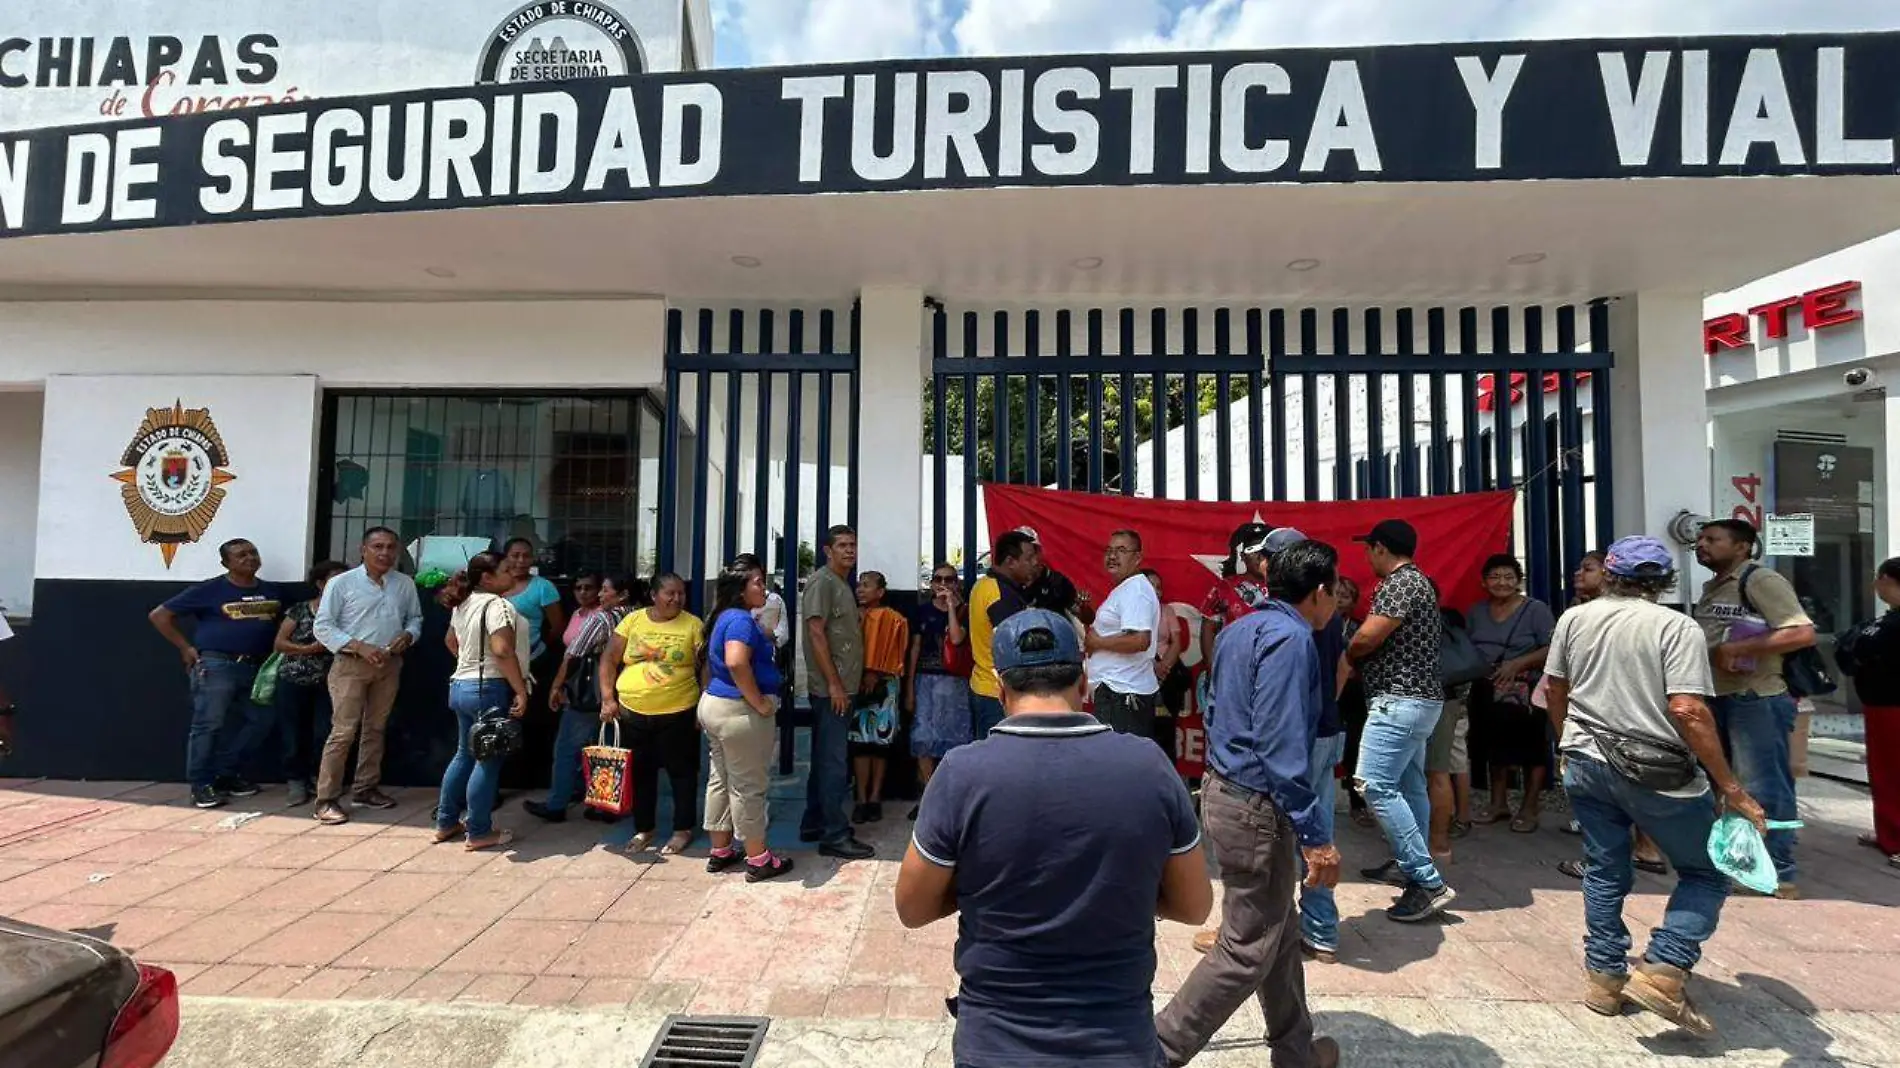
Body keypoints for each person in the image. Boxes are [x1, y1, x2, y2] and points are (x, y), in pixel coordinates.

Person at [896, 609, 1211, 1068]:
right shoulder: (1148, 767)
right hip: (1118, 1045)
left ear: (1002, 690)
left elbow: (912, 908)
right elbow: (1194, 905)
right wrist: (1113, 884)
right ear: (1084, 683)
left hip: (995, 1047)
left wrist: (985, 885)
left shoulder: (962, 774)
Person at [1545, 535, 1767, 1037]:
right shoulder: (1676, 626)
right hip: (1657, 769)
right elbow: (1688, 709)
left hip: (1585, 757)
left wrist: (1565, 742)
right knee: (1708, 873)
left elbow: (1555, 689)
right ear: (1664, 582)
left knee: (1604, 869)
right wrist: (1731, 787)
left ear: (1610, 574)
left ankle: (1603, 979)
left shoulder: (1574, 619)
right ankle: (1665, 967)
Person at [1160, 540, 1343, 1068]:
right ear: (1319, 592)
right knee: (1245, 949)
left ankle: (1295, 1050)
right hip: (1257, 804)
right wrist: (1316, 836)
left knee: (1278, 930)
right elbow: (1281, 744)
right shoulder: (1291, 639)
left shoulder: (1242, 628)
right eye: (1335, 592)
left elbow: (1221, 710)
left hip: (1228, 791)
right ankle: (1156, 1051)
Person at [1693, 518, 1817, 897]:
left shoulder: (1759, 580)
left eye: (1712, 540)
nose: (1702, 545)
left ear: (1742, 546)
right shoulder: (1714, 585)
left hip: (1756, 698)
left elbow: (1801, 631)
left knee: (1766, 786)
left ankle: (1779, 872)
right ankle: (1738, 862)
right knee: (1728, 784)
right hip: (1720, 696)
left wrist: (1740, 649)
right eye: (1700, 540)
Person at [1346, 518, 1456, 922]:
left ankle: (1426, 880)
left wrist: (1349, 652)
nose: (1366, 556)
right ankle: (1408, 864)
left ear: (1379, 548)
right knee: (1410, 787)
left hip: (1399, 701)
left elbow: (1368, 637)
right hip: (1416, 701)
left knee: (1373, 784)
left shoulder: (1401, 584)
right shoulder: (1416, 582)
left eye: (1368, 548)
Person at [149, 538, 286, 809]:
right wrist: (185, 648)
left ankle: (226, 773)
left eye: (252, 552)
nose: (249, 558)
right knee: (208, 726)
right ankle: (201, 785)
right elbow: (159, 615)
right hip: (216, 666)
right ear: (226, 563)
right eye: (240, 555)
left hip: (257, 668)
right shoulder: (209, 590)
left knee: (263, 720)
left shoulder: (271, 591)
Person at [1556, 552, 1669, 878]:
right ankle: (1630, 853)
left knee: (1611, 794)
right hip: (1627, 720)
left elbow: (1558, 683)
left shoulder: (1586, 618)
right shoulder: (1582, 613)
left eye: (1588, 568)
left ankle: (1613, 861)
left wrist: (1563, 730)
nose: (1579, 573)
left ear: (1610, 575)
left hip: (1611, 720)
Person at [310, 527, 424, 825]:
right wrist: (358, 646)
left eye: (390, 548)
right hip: (350, 665)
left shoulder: (403, 583)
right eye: (377, 547)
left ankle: (365, 788)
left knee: (376, 728)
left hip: (389, 663)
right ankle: (326, 798)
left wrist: (408, 635)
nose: (384, 553)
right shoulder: (341, 583)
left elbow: (415, 618)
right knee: (344, 731)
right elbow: (322, 627)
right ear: (363, 550)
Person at [700, 566, 794, 881]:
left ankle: (721, 851)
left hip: (716, 706)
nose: (764, 590)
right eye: (757, 583)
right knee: (748, 786)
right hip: (738, 713)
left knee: (721, 779)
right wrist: (759, 702)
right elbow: (736, 661)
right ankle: (758, 859)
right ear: (741, 590)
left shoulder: (725, 616)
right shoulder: (739, 620)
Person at [600, 572, 704, 855]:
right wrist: (608, 698)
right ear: (654, 595)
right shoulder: (632, 621)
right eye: (670, 593)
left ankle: (682, 829)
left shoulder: (693, 624)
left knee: (681, 773)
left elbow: (705, 667)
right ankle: (644, 828)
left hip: (679, 710)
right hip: (633, 712)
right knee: (641, 774)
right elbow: (609, 659)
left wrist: (703, 706)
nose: (676, 598)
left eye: (681, 593)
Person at [436, 551, 531, 852]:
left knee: (464, 753)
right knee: (488, 760)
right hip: (488, 688)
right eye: (505, 569)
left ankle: (446, 822)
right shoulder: (498, 605)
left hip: (460, 685)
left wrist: (469, 662)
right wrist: (520, 690)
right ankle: (478, 830)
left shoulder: (463, 603)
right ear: (488, 578)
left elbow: (450, 642)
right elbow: (503, 650)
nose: (513, 572)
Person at [527, 572, 637, 823]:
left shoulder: (602, 618)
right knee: (610, 747)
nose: (599, 595)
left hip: (593, 693)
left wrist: (556, 685)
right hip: (624, 691)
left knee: (567, 748)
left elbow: (574, 654)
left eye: (604, 590)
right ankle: (607, 806)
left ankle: (557, 804)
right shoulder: (638, 616)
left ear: (622, 594)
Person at [1467, 554, 1559, 832]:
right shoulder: (1476, 611)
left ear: (1518, 581)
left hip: (1526, 690)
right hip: (1486, 688)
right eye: (1495, 576)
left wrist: (1519, 663)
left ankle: (1529, 808)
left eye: (1508, 577)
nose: (1502, 582)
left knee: (1533, 750)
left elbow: (1552, 647)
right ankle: (1498, 804)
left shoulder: (1536, 610)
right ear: (1484, 582)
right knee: (1493, 748)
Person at [800, 525, 876, 860]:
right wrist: (834, 684)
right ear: (827, 550)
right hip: (833, 690)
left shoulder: (841, 583)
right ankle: (834, 834)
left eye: (853, 544)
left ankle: (814, 821)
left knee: (824, 758)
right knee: (833, 762)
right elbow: (816, 633)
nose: (849, 550)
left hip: (842, 686)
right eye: (842, 545)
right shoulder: (822, 582)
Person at [271, 560, 349, 808]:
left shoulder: (348, 613)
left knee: (324, 732)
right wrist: (308, 649)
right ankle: (296, 781)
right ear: (319, 583)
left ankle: (322, 779)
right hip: (295, 678)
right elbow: (280, 643)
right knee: (293, 732)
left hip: (331, 681)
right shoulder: (301, 610)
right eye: (333, 581)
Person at [1841, 557, 1900, 869]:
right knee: (1884, 773)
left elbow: (1860, 651)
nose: (1876, 586)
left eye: (1879, 579)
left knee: (1892, 772)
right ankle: (1888, 833)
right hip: (1881, 705)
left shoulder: (1890, 626)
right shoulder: (1887, 620)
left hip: (1893, 706)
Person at [908, 564, 973, 822]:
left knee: (954, 740)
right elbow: (914, 649)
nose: (943, 583)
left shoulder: (965, 611)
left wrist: (952, 610)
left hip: (955, 683)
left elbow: (956, 639)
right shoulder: (921, 611)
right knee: (924, 738)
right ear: (931, 583)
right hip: (926, 681)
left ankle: (951, 798)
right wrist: (909, 687)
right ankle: (928, 795)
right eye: (938, 579)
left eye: (949, 579)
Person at [1085, 529, 1162, 736]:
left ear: (1137, 558)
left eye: (1121, 550)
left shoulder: (1135, 590)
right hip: (1117, 692)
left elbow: (1140, 640)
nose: (1112, 556)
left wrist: (1098, 643)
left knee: (1118, 765)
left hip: (1122, 695)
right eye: (1109, 550)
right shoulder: (1126, 588)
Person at [849, 571, 910, 823]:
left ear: (880, 592)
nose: (860, 589)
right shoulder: (852, 617)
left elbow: (899, 653)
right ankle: (861, 798)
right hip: (857, 684)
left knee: (880, 744)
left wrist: (876, 671)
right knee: (861, 744)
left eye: (866, 585)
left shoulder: (895, 620)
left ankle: (875, 797)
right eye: (859, 585)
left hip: (885, 686)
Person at [967, 530, 1038, 740]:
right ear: (1010, 561)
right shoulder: (1000, 596)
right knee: (1001, 764)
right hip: (998, 693)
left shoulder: (984, 584)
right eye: (1029, 558)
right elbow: (1012, 647)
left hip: (986, 686)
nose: (1035, 563)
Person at [1427, 609, 1475, 863]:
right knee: (1443, 771)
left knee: (1437, 772)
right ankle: (1443, 839)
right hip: (1453, 705)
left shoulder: (1425, 629)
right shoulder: (1454, 626)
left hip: (1439, 706)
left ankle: (1438, 840)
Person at [1335, 576, 1375, 829]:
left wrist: (1353, 669)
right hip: (1324, 694)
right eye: (1336, 594)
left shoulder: (1362, 629)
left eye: (1345, 596)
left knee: (1355, 749)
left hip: (1355, 696)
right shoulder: (1313, 625)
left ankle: (1357, 803)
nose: (1339, 601)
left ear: (1353, 602)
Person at [1146, 569, 1190, 762]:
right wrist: (1151, 667)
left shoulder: (1167, 611)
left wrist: (1163, 668)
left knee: (1165, 731)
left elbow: (1177, 642)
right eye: (1150, 586)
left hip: (1167, 677)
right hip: (1141, 675)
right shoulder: (1131, 612)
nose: (1156, 591)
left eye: (1158, 587)